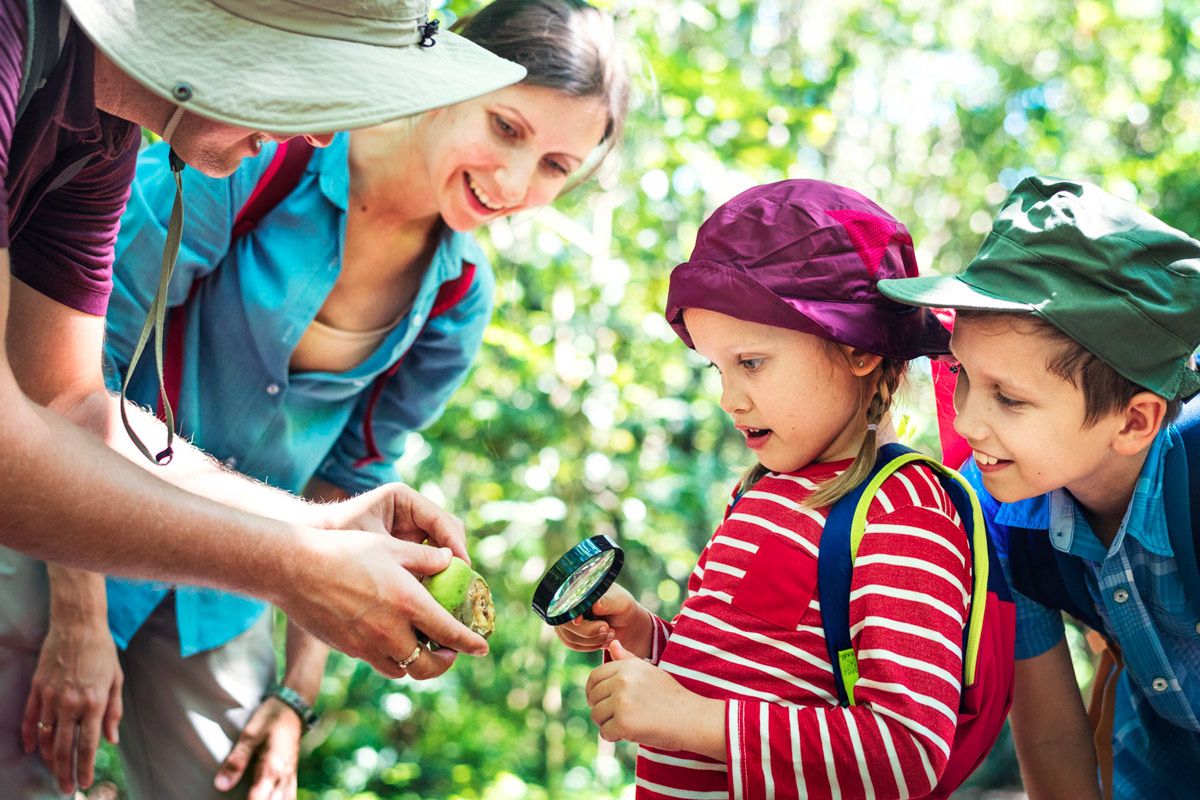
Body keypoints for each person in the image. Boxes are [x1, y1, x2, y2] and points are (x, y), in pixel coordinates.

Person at [12, 1, 631, 797]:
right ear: (448, 84)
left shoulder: (458, 297)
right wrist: (79, 617)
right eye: (507, 129)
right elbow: (65, 381)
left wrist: (296, 693)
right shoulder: (252, 147)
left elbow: (349, 482)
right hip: (58, 520)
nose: (515, 183)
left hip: (226, 600)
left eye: (556, 167)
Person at [557, 180, 980, 799]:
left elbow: (907, 752)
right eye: (717, 368)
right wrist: (645, 637)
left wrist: (692, 720)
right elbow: (737, 670)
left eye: (751, 363)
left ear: (857, 348)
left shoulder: (902, 511)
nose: (730, 398)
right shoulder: (757, 496)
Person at [878, 175, 1200, 800]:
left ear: (1134, 422)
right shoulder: (997, 514)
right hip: (1162, 767)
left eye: (1010, 398)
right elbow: (1052, 737)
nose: (967, 421)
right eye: (962, 375)